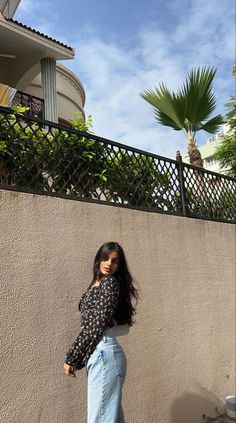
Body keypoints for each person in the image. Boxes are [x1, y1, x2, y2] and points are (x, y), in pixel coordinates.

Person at [63, 241, 139, 423]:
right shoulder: (97, 284)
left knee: (100, 419)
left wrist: (72, 357)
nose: (109, 264)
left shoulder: (109, 283)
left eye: (115, 261)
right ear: (98, 259)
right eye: (105, 258)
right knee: (109, 417)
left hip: (104, 353)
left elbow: (97, 324)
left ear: (119, 266)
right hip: (101, 353)